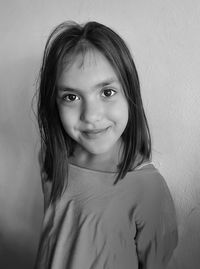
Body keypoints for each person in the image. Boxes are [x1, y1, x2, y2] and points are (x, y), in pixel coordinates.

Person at [34, 21, 178, 269]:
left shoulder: (148, 189)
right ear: (54, 103)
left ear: (129, 92)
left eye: (107, 92)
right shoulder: (51, 156)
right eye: (71, 97)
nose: (90, 115)